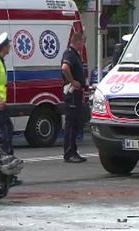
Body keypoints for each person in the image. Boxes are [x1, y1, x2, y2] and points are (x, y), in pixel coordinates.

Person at [61, 32, 87, 163]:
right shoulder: (69, 53)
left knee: (75, 123)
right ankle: (69, 152)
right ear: (78, 41)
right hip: (71, 94)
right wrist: (72, 81)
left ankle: (73, 151)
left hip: (76, 94)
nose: (83, 45)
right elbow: (65, 68)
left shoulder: (75, 54)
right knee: (71, 124)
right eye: (83, 42)